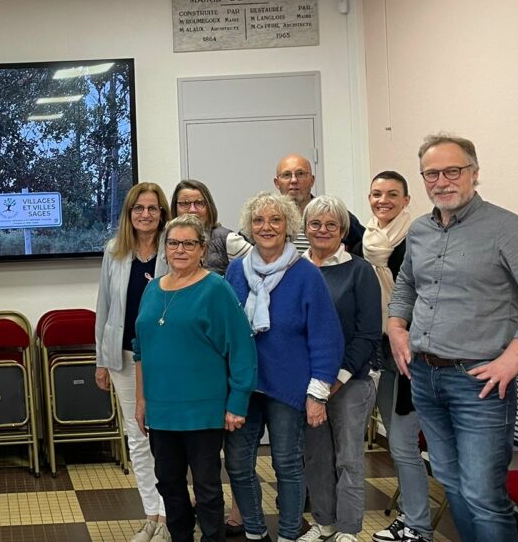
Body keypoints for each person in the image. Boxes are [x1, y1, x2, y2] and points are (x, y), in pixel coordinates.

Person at [387, 134, 518, 542]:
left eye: (453, 170)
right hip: (424, 376)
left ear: (474, 172)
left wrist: (514, 357)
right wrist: (397, 327)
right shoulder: (419, 231)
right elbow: (405, 285)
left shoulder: (506, 229)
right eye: (432, 173)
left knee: (482, 494)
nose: (442, 181)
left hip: (480, 383)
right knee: (451, 484)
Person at [223, 192, 343, 542]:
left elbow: (326, 337)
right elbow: (227, 330)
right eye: (259, 220)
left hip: (289, 388)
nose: (267, 227)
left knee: (287, 465)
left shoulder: (305, 274)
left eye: (275, 220)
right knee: (238, 464)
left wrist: (318, 393)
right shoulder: (236, 271)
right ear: (249, 227)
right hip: (244, 385)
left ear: (288, 225)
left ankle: (289, 535)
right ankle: (256, 532)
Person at [133, 215, 256, 542]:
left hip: (202, 410)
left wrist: (238, 402)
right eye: (173, 243)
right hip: (161, 410)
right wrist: (141, 400)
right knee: (169, 484)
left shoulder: (216, 289)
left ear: (202, 248)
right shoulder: (151, 288)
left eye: (189, 243)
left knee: (207, 487)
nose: (180, 250)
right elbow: (140, 350)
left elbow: (242, 348)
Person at [296, 196, 381, 542]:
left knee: (348, 458)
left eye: (331, 224)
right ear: (305, 229)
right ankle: (324, 522)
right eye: (315, 224)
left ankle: (348, 529)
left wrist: (337, 378)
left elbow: (368, 333)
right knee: (316, 457)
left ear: (343, 230)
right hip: (307, 384)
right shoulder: (295, 269)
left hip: (351, 381)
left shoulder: (359, 270)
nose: (322, 230)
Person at [354, 172, 431, 542]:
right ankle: (412, 519)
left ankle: (417, 524)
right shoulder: (367, 240)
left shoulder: (417, 239)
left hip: (415, 354)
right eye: (376, 194)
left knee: (402, 442)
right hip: (384, 351)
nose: (383, 201)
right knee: (398, 443)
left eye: (392, 195)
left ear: (406, 199)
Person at [94, 182, 171, 542]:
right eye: (138, 208)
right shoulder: (115, 251)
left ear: (162, 213)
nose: (145, 214)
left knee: (167, 439)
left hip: (168, 359)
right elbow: (105, 307)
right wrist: (101, 360)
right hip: (123, 357)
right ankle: (151, 516)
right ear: (129, 213)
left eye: (152, 208)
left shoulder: (174, 249)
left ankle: (171, 517)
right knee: (138, 439)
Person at [273, 155, 365, 253]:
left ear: (312, 180)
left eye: (300, 174)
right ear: (277, 183)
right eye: (286, 175)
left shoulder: (334, 215)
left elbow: (365, 247)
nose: (294, 180)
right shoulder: (267, 219)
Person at [166, 179, 234, 275]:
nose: (192, 210)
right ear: (175, 207)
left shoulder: (228, 239)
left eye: (199, 203)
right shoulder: (166, 240)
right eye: (185, 204)